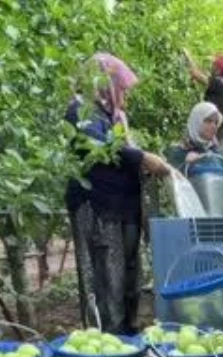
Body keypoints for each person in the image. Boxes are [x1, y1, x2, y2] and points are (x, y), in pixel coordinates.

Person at [64, 53, 171, 334]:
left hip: (124, 209)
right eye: (121, 87)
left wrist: (143, 164)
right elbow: (97, 146)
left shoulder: (113, 118)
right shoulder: (81, 110)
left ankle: (127, 337)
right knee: (107, 281)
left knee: (128, 279)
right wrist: (142, 158)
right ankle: (106, 343)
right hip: (100, 210)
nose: (124, 94)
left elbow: (123, 154)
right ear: (104, 82)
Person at [184, 50, 223, 151]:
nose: (212, 66)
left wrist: (188, 57)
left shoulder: (219, 82)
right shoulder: (221, 84)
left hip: (220, 138)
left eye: (214, 65)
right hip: (219, 134)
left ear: (219, 69)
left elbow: (197, 74)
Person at [165, 102, 223, 175]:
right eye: (208, 121)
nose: (213, 126)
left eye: (216, 122)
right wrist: (185, 164)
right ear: (196, 121)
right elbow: (168, 178)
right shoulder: (176, 152)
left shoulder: (217, 154)